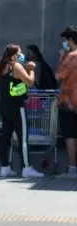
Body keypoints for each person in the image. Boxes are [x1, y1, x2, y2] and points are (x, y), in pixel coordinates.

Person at [0, 44, 44, 178]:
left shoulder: (1, 67)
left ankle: (4, 167)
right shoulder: (15, 66)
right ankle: (27, 167)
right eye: (20, 52)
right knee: (23, 138)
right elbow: (29, 82)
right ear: (14, 54)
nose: (22, 55)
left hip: (4, 106)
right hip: (17, 107)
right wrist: (32, 70)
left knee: (6, 136)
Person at [56, 26, 77, 178]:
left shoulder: (71, 56)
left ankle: (72, 168)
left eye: (65, 41)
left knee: (70, 135)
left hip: (68, 101)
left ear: (70, 40)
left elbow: (59, 75)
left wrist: (62, 57)